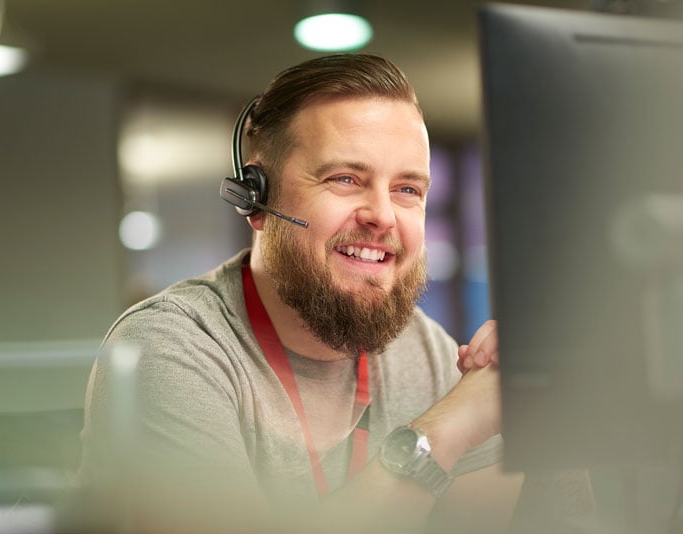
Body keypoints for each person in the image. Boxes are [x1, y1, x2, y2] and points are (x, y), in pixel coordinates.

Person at [78, 54, 586, 533]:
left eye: (408, 189)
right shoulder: (169, 349)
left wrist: (526, 402)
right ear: (257, 199)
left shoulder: (426, 350)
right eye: (345, 179)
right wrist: (445, 432)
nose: (382, 216)